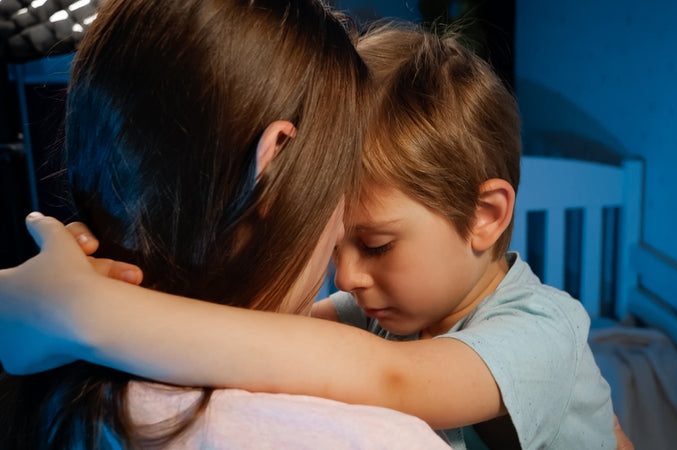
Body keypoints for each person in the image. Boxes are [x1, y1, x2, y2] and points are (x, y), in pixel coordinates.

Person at [0, 22, 632, 450]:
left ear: (486, 216)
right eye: (336, 247)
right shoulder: (385, 312)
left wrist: (85, 310)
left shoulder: (545, 327)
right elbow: (255, 341)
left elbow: (394, 381)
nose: (349, 277)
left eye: (377, 245)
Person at [0, 1, 449, 448]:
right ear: (273, 167)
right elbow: (395, 377)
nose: (344, 269)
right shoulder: (376, 438)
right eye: (340, 178)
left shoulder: (38, 376)